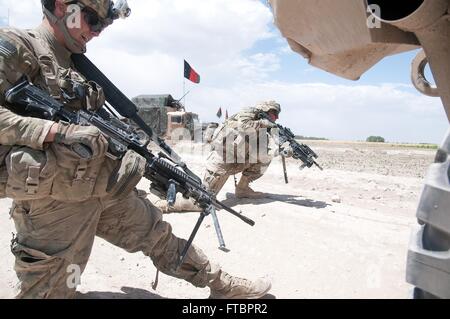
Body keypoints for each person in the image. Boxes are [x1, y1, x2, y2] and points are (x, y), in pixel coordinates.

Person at [0, 0, 271, 299]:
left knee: (159, 237)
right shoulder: (18, 45)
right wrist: (54, 130)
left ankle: (220, 284)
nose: (97, 32)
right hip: (52, 204)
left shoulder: (77, 65)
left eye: (103, 25)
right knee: (48, 293)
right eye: (92, 20)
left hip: (105, 187)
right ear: (64, 6)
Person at [202, 100, 291, 198]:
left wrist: (286, 147)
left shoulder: (265, 127)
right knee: (202, 200)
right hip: (222, 163)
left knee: (265, 156)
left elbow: (276, 140)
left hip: (240, 161)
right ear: (265, 109)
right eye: (275, 113)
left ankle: (242, 189)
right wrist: (263, 123)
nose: (277, 117)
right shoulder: (248, 113)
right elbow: (244, 126)